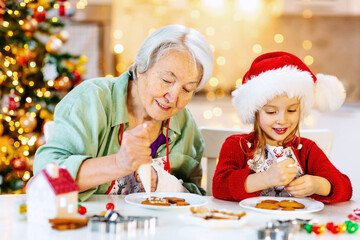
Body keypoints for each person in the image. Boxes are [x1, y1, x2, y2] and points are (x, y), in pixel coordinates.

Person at [33, 24, 214, 201]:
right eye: (166, 80)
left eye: (187, 89)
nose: (173, 97)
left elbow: (195, 197)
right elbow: (44, 178)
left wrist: (166, 184)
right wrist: (118, 163)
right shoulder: (91, 100)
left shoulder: (184, 122)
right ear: (140, 67)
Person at [213, 51, 352, 203]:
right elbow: (219, 187)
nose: (282, 120)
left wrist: (317, 185)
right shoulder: (237, 146)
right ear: (256, 112)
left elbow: (345, 187)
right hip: (247, 223)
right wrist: (264, 179)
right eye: (271, 112)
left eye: (291, 110)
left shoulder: (307, 150)